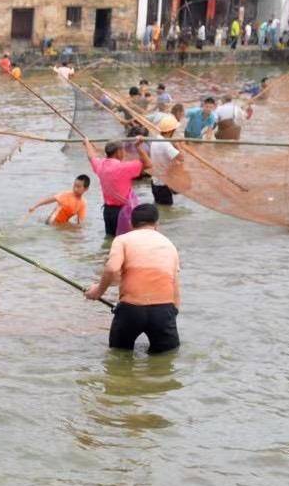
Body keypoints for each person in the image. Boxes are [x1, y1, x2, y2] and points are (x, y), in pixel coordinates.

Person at [83, 204, 179, 352]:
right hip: (164, 310)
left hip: (131, 310)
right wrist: (172, 314)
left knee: (119, 356)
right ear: (157, 224)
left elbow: (112, 268)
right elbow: (175, 284)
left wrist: (97, 292)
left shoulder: (123, 240)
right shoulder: (169, 244)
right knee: (164, 362)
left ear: (130, 223)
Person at [87, 139, 149, 237]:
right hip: (122, 212)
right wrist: (138, 147)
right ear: (118, 152)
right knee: (125, 240)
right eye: (123, 150)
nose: (124, 153)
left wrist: (87, 143)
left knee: (111, 239)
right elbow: (148, 164)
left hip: (107, 211)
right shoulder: (123, 167)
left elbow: (91, 157)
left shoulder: (101, 166)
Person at [24, 173, 91, 226]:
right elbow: (49, 200)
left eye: (78, 187)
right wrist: (35, 206)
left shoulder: (82, 204)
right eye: (74, 186)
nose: (75, 189)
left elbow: (80, 222)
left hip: (61, 226)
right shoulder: (66, 195)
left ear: (86, 189)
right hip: (50, 222)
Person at [145, 115, 183, 205]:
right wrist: (178, 145)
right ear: (171, 131)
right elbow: (181, 157)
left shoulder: (156, 139)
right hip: (163, 185)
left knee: (159, 207)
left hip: (155, 182)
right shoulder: (165, 144)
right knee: (167, 210)